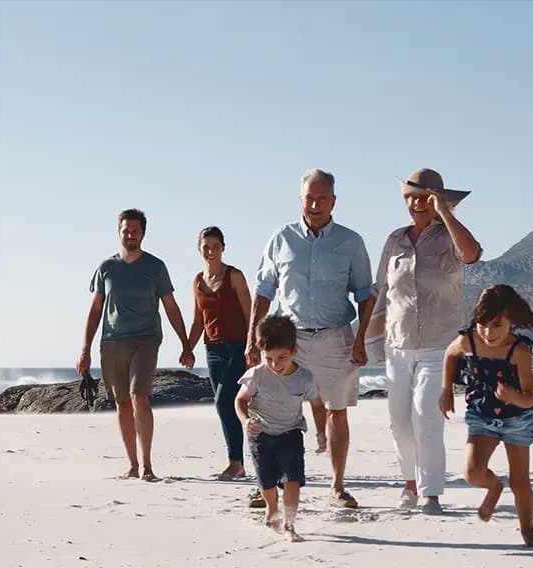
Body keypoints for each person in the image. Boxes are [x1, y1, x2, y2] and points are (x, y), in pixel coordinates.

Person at [354, 168, 482, 514]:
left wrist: (445, 214)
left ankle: (431, 493)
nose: (416, 203)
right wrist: (364, 340)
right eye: (410, 197)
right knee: (399, 421)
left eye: (424, 196)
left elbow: (471, 254)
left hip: (440, 345)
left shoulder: (450, 237)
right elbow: (380, 292)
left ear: (440, 200)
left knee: (427, 414)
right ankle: (409, 483)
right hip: (398, 344)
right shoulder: (395, 240)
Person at [246, 168, 373, 509]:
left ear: (333, 200)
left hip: (336, 337)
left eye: (322, 198)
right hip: (290, 339)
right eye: (309, 198)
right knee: (270, 411)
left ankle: (338, 487)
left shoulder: (351, 242)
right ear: (300, 199)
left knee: (337, 411)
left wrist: (361, 339)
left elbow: (365, 293)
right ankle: (266, 485)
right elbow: (263, 292)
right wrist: (252, 340)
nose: (315, 204)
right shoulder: (281, 238)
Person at [76, 208, 194, 481]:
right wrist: (85, 349)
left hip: (146, 339)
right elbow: (95, 310)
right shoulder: (106, 268)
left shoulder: (155, 267)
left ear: (143, 233)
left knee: (140, 397)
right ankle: (132, 464)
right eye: (126, 231)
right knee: (122, 404)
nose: (130, 235)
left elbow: (171, 307)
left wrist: (186, 344)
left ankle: (148, 465)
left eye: (135, 231)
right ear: (119, 232)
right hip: (112, 342)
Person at [440, 284, 533, 547]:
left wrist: (513, 396)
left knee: (520, 482)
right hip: (481, 416)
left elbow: (530, 397)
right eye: (483, 323)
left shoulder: (519, 351)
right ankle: (494, 487)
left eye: (497, 324)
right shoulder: (469, 340)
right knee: (472, 473)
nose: (488, 332)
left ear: (512, 321)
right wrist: (446, 390)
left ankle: (527, 530)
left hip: (516, 419)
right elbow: (450, 355)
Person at [235, 316, 323, 542]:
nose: (275, 365)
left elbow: (317, 405)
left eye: (281, 357)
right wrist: (246, 421)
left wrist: (321, 432)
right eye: (269, 358)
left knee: (292, 480)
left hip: (290, 434)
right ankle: (271, 507)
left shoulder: (305, 378)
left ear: (295, 350)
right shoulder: (257, 375)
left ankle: (289, 523)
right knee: (266, 482)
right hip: (260, 435)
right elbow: (240, 401)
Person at [188, 226, 252, 479]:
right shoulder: (197, 281)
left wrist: (253, 347)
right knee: (225, 407)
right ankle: (237, 462)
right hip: (212, 350)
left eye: (216, 246)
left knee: (224, 402)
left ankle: (237, 463)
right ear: (199, 249)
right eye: (206, 246)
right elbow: (197, 321)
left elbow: (251, 314)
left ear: (223, 248)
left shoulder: (234, 276)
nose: (211, 251)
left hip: (238, 347)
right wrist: (187, 349)